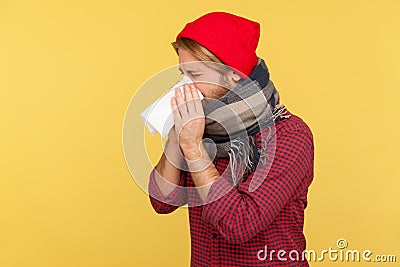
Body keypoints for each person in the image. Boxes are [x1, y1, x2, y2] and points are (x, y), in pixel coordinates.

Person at [147, 11, 314, 267]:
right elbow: (162, 201)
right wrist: (176, 135)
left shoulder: (290, 135)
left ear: (233, 73)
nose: (185, 86)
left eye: (195, 75)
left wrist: (193, 148)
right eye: (182, 74)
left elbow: (238, 224)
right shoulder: (201, 127)